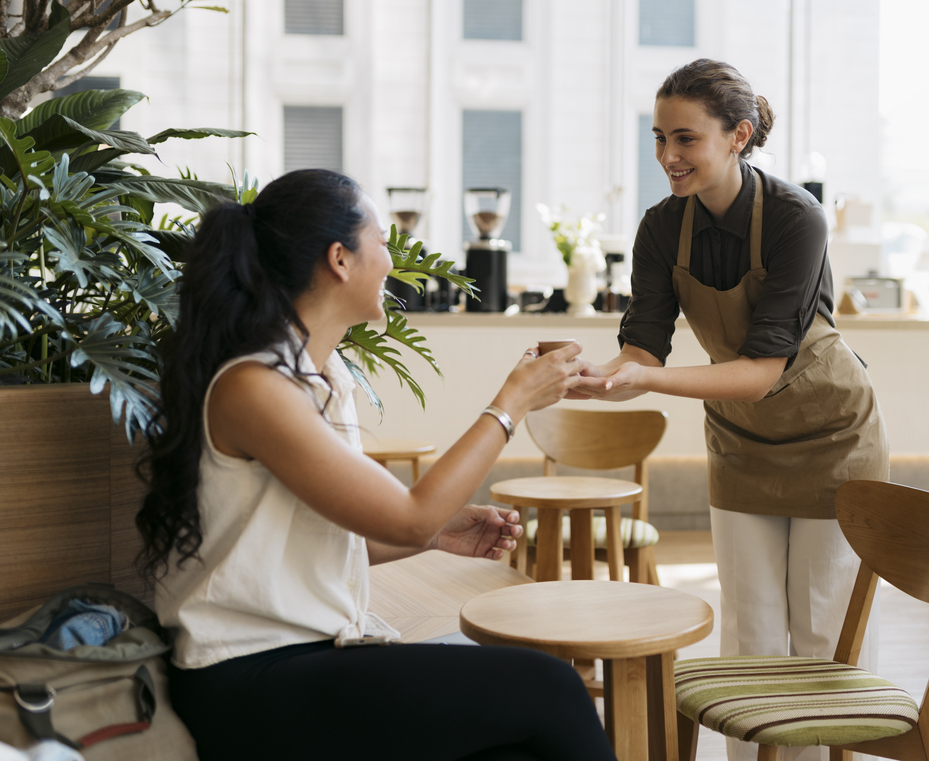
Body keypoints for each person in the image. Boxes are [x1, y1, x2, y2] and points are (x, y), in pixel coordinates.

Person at [135, 169, 615, 761]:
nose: (391, 262)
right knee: (553, 688)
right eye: (383, 243)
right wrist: (511, 403)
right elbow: (407, 516)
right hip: (247, 679)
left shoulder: (321, 375)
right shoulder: (253, 386)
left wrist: (440, 534)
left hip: (309, 656)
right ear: (340, 258)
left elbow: (318, 541)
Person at [576, 59, 890, 761]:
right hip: (743, 440)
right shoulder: (661, 228)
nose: (668, 157)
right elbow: (646, 345)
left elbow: (759, 372)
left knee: (823, 630)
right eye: (659, 138)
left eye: (685, 139)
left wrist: (644, 383)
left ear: (738, 135)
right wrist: (599, 374)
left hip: (833, 435)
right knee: (748, 631)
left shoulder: (794, 219)